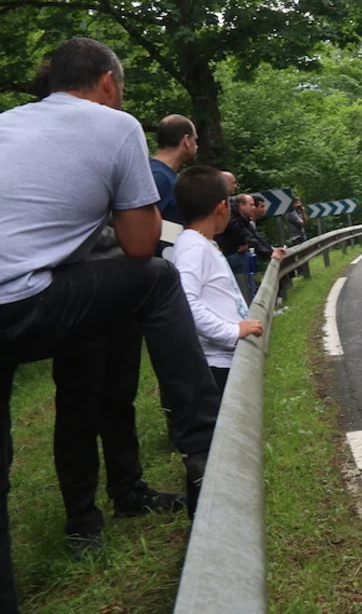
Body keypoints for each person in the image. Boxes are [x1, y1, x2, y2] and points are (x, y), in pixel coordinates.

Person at [0, 38, 221, 612]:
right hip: (47, 291)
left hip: (68, 286)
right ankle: (203, 450)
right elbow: (141, 244)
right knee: (155, 282)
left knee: (108, 395)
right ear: (107, 83)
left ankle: (121, 495)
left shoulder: (8, 124)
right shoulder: (115, 125)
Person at [30, 65, 185, 559]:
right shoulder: (40, 149)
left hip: (117, 288)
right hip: (75, 290)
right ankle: (82, 520)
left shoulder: (105, 139)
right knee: (78, 403)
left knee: (119, 394)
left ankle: (128, 490)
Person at [172, 167, 274, 391]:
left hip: (225, 360)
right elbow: (185, 302)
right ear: (221, 207)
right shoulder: (193, 247)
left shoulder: (202, 243)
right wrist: (232, 332)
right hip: (215, 366)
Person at [150, 114, 199, 225]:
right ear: (186, 141)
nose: (197, 146)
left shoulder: (153, 171)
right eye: (195, 140)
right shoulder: (160, 178)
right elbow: (140, 223)